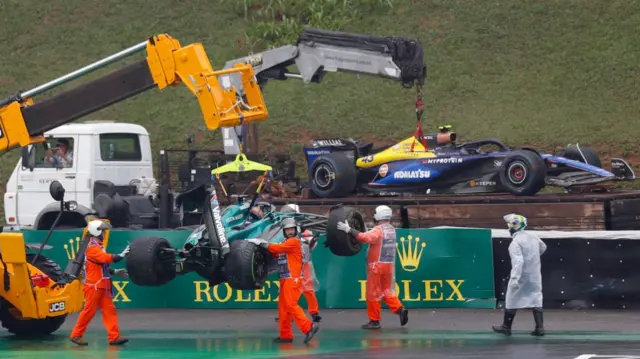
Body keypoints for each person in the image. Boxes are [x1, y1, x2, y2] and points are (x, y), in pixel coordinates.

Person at [247, 217, 319, 344]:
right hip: (286, 278)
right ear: (284, 231)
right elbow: (276, 252)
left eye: (292, 229)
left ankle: (309, 327)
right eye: (288, 230)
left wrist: (261, 243)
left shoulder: (293, 242)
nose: (290, 231)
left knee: (290, 305)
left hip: (293, 279)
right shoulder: (286, 242)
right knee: (283, 308)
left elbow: (275, 249)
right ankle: (286, 335)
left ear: (296, 230)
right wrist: (265, 246)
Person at [336, 205, 409, 329]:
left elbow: (366, 237)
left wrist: (349, 230)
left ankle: (374, 321)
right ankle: (399, 309)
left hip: (376, 267)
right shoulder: (391, 229)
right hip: (389, 266)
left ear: (379, 215)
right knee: (386, 291)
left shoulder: (378, 230)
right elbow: (371, 234)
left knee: (373, 294)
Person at [70, 220, 131, 346]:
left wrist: (115, 272)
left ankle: (114, 337)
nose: (104, 233)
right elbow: (106, 259)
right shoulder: (92, 248)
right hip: (94, 286)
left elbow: (101, 266)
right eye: (102, 231)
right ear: (96, 232)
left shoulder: (97, 246)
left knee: (110, 311)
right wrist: (123, 254)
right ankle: (76, 335)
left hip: (102, 285)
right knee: (88, 311)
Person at [492, 213, 547, 337]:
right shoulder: (533, 236)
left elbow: (518, 261)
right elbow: (543, 247)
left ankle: (506, 327)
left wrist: (515, 278)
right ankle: (540, 327)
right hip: (534, 274)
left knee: (511, 298)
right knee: (536, 297)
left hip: (521, 275)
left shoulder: (515, 243)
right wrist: (534, 259)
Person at [278, 204, 322, 323]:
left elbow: (311, 244)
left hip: (304, 264)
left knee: (308, 289)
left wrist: (305, 240)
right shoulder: (283, 229)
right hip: (289, 264)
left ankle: (314, 312)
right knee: (290, 291)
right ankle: (288, 311)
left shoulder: (304, 229)